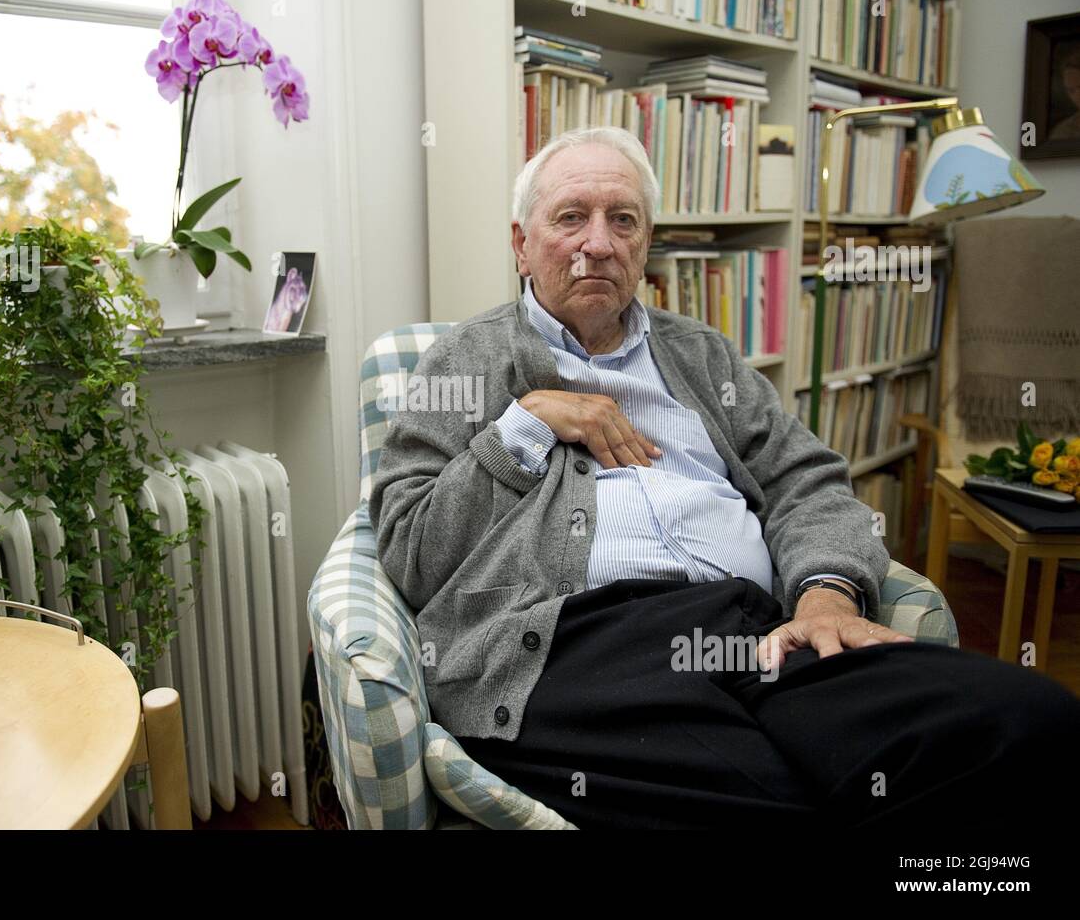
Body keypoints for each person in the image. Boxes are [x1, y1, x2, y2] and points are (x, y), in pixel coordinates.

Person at [369, 126, 1080, 828]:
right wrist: (528, 421)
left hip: (755, 634)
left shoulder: (702, 354)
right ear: (521, 244)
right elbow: (411, 549)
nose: (598, 242)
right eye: (570, 218)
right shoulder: (466, 361)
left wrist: (825, 594)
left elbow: (807, 480)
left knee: (1034, 722)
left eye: (623, 221)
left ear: (645, 246)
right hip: (571, 650)